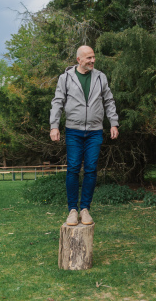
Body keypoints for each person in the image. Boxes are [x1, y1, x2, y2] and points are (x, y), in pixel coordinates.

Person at [50, 45, 119, 226]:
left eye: (93, 57)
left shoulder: (100, 77)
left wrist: (113, 122)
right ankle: (72, 210)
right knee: (73, 168)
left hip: (95, 131)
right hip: (73, 130)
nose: (92, 61)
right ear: (78, 60)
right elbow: (58, 102)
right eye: (88, 58)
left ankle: (85, 209)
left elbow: (109, 100)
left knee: (90, 169)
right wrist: (54, 126)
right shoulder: (65, 78)